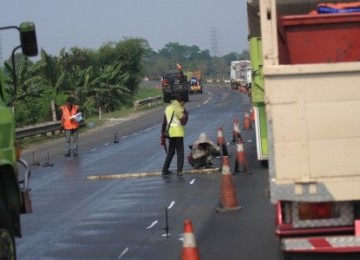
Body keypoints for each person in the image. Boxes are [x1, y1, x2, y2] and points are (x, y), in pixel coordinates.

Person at [161, 94, 188, 176]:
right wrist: (186, 113)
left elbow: (164, 122)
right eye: (183, 103)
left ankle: (165, 170)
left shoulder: (168, 108)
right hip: (178, 132)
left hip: (170, 133)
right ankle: (179, 171)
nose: (184, 104)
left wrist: (162, 134)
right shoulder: (178, 108)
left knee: (171, 152)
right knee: (180, 152)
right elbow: (183, 122)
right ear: (180, 101)